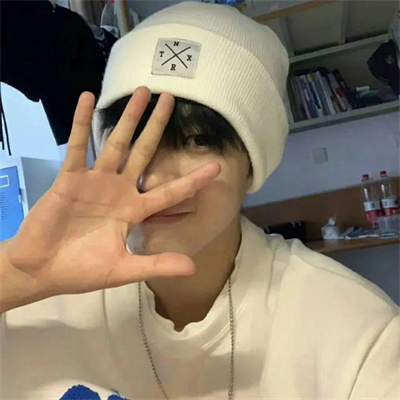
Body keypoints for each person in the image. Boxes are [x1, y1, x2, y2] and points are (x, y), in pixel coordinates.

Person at [1, 2, 399, 399]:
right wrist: (17, 279)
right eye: (134, 137)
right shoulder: (36, 299)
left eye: (197, 141)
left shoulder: (357, 336)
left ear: (252, 165)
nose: (150, 178)